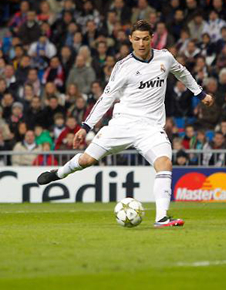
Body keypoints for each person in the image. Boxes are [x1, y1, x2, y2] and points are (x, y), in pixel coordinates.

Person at [37, 20, 214, 228]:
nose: (141, 43)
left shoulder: (164, 57)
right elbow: (106, 98)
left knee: (164, 164)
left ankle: (162, 218)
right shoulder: (123, 67)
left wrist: (200, 93)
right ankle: (59, 173)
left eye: (145, 39)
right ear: (130, 39)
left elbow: (182, 71)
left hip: (151, 127)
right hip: (123, 123)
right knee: (86, 160)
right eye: (137, 39)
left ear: (151, 39)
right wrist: (85, 127)